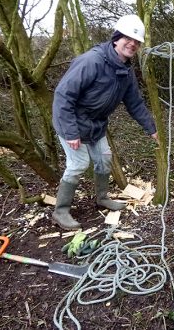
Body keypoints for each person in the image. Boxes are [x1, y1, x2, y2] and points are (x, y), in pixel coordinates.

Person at [51, 14, 158, 230]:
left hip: (96, 125)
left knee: (104, 159)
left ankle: (101, 198)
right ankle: (60, 211)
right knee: (78, 164)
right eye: (128, 38)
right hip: (71, 122)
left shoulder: (125, 71)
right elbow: (63, 96)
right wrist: (71, 132)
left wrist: (152, 129)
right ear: (117, 38)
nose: (133, 44)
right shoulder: (92, 61)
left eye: (137, 41)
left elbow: (135, 103)